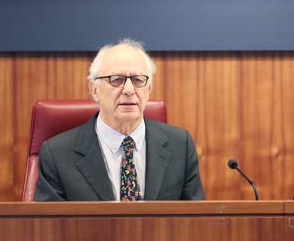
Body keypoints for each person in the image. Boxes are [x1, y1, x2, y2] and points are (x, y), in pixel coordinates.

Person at [35, 38, 204, 201]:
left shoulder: (181, 146)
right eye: (117, 80)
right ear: (94, 90)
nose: (129, 90)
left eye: (138, 80)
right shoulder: (57, 155)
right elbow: (50, 228)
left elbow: (195, 223)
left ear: (149, 89)